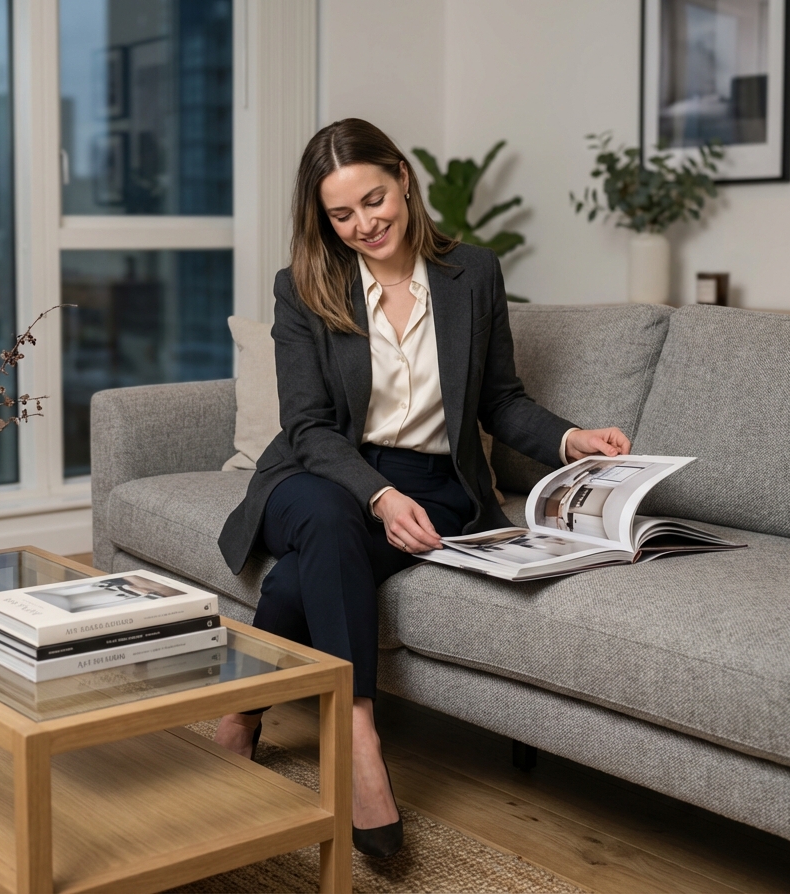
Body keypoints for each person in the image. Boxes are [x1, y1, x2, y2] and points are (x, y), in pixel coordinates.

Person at [212, 118, 631, 858]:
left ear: (403, 177)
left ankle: (244, 711)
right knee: (328, 520)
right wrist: (376, 494)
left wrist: (572, 441)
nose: (364, 223)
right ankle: (360, 738)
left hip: (437, 484)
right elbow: (308, 427)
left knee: (312, 571)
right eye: (341, 215)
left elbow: (499, 401)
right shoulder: (303, 287)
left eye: (374, 199)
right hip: (320, 469)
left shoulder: (473, 274)